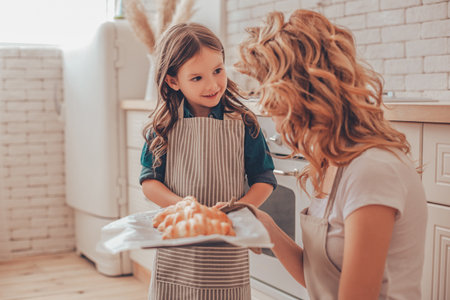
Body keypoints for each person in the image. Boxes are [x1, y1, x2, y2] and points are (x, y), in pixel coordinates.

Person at [235, 9, 427, 300]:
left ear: (302, 97)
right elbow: (320, 279)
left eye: (271, 101)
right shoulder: (332, 163)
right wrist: (264, 225)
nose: (270, 116)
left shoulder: (372, 171)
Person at [139, 22, 276, 299]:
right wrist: (189, 209)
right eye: (197, 78)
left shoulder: (244, 123)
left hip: (227, 237)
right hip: (179, 237)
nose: (213, 85)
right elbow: (150, 182)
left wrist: (236, 211)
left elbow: (264, 179)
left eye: (218, 70)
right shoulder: (162, 126)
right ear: (173, 81)